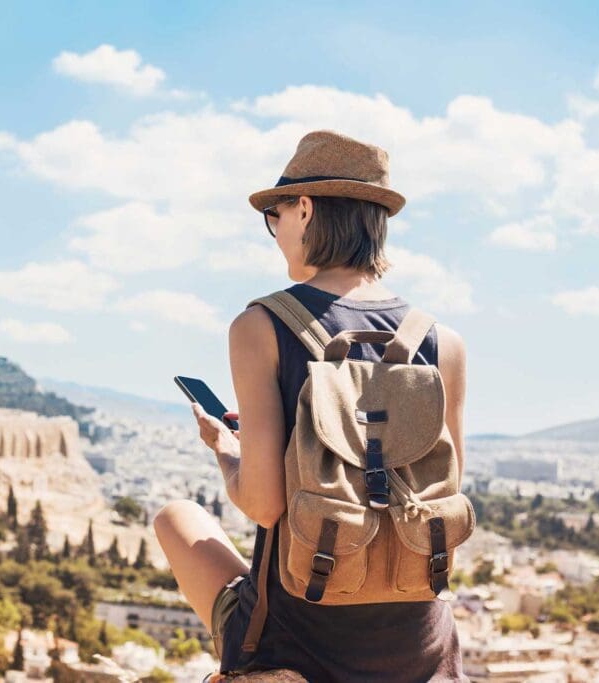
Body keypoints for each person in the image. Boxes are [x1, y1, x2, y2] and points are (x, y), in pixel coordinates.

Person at [153, 130, 468, 681]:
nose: (276, 234)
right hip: (422, 650)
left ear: (305, 209)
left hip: (298, 645)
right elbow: (445, 488)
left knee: (175, 517)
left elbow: (265, 505)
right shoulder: (442, 341)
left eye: (275, 216)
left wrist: (229, 452)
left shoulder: (262, 326)